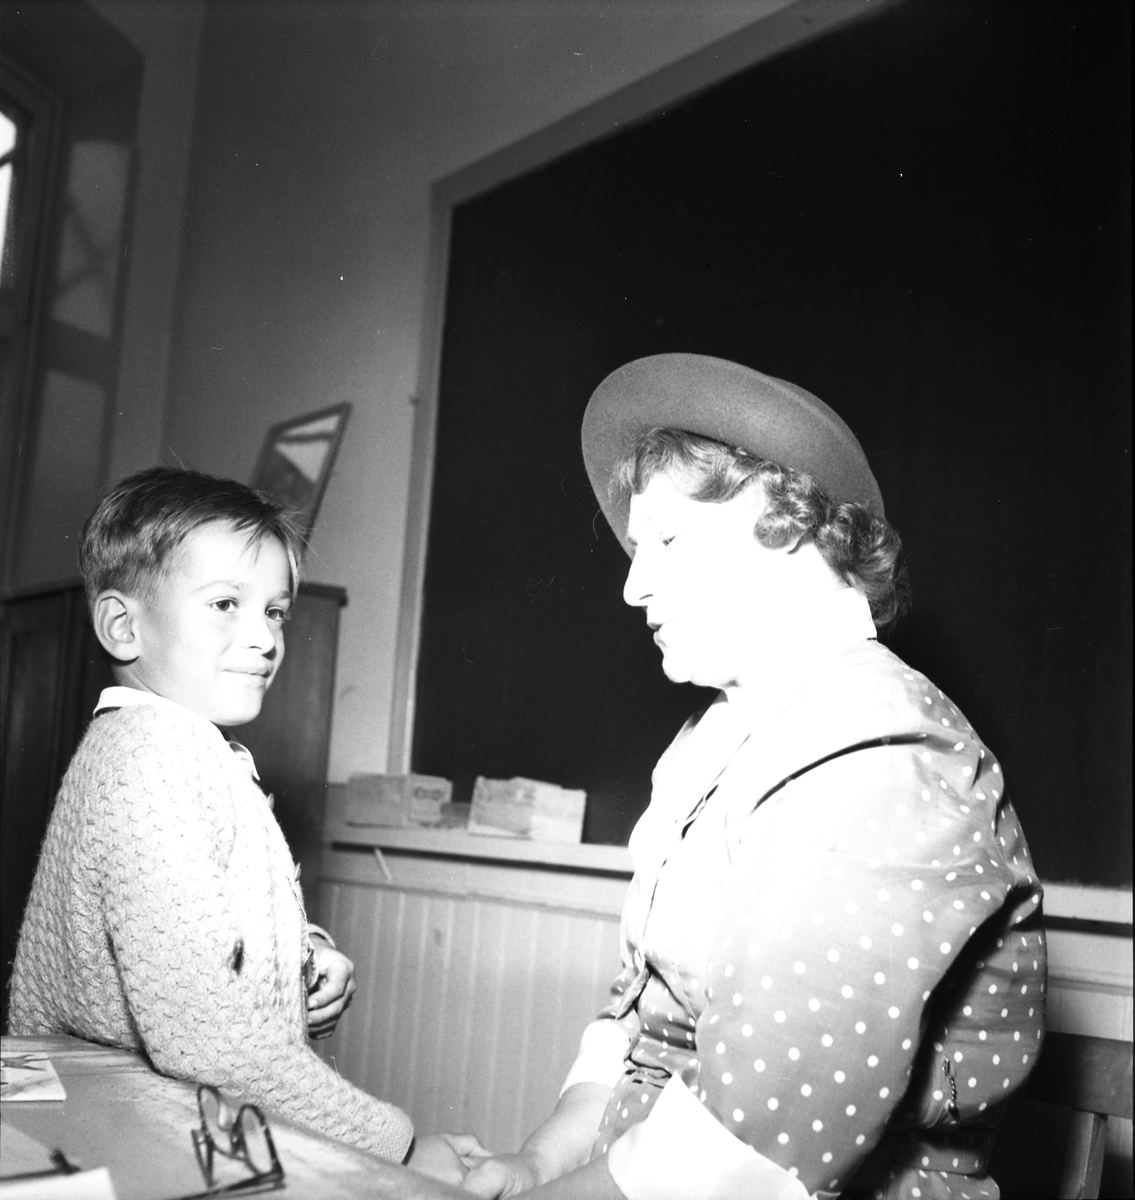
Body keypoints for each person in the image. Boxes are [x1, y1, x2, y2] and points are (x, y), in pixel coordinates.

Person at [463, 354, 1046, 1200]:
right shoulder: (713, 741)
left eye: (666, 540)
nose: (631, 586)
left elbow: (754, 1144)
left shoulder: (878, 752)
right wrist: (535, 1166)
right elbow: (640, 1022)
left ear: (790, 522)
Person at [7, 466, 478, 1184]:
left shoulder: (186, 748)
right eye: (226, 604)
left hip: (157, 1124)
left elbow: (210, 931)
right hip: (129, 1140)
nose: (263, 637)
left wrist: (304, 957)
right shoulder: (152, 761)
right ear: (124, 626)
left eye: (275, 611)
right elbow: (205, 1038)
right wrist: (399, 1149)